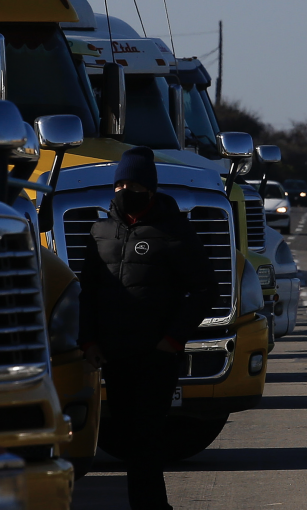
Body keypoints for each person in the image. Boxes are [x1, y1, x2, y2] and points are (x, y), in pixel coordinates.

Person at [79, 146, 218, 510]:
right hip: (114, 356)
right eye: (120, 183)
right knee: (125, 440)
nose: (125, 190)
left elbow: (206, 288)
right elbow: (88, 291)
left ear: (150, 189)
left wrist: (173, 338)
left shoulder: (175, 231)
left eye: (134, 183)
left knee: (147, 439)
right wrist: (89, 340)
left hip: (156, 357)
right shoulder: (100, 232)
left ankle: (153, 507)